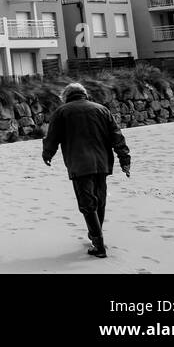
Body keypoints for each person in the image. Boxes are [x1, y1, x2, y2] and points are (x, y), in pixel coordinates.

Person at [42, 83, 131, 258]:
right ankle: (96, 235)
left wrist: (47, 153)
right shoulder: (102, 110)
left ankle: (98, 244)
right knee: (100, 200)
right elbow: (117, 135)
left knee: (87, 204)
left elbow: (52, 137)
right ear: (84, 94)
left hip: (79, 163)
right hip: (102, 162)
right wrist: (125, 159)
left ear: (66, 96)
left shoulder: (62, 112)